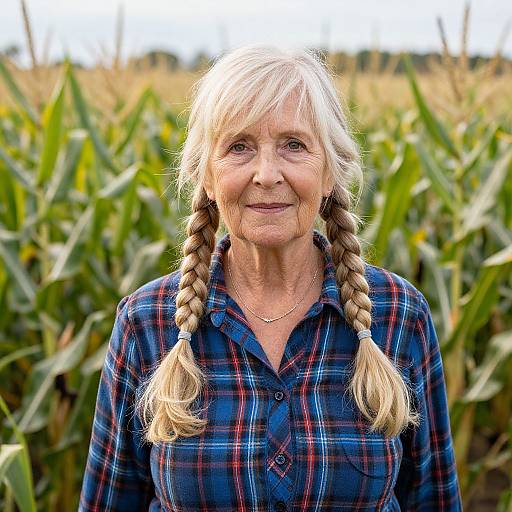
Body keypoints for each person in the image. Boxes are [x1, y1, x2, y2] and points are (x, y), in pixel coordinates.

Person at [79, 44, 463, 511]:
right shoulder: (147, 323)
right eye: (239, 147)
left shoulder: (399, 315)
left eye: (294, 145)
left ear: (329, 173)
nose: (266, 174)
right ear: (206, 175)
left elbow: (434, 500)